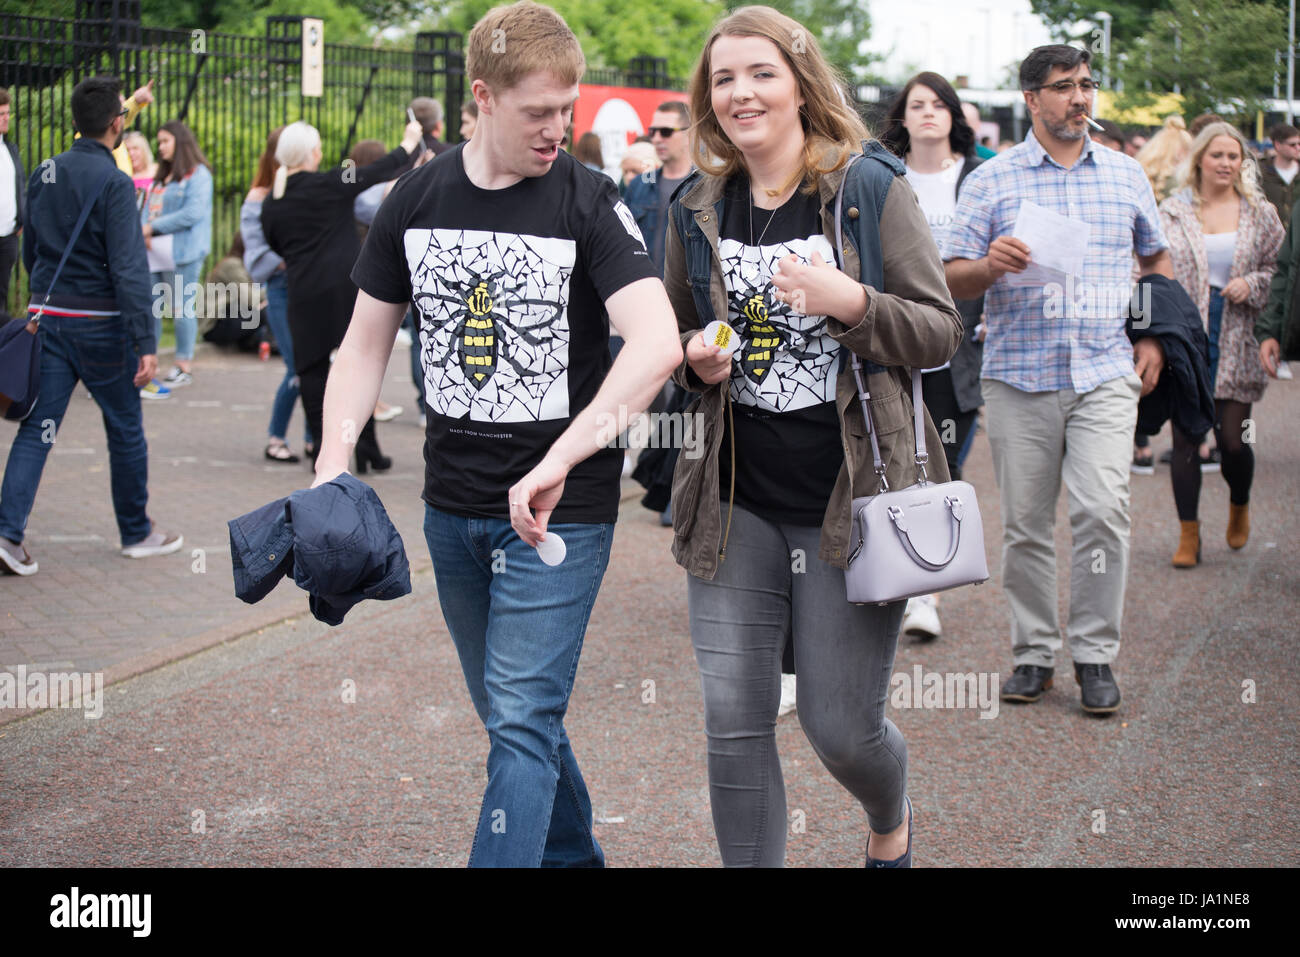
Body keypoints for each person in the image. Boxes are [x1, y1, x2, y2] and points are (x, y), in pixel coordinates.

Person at [330, 0, 679, 867]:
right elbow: (362, 342)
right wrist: (332, 469)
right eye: (537, 112)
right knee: (512, 712)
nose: (558, 129)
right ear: (481, 98)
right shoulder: (416, 195)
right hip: (451, 503)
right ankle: (575, 859)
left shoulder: (590, 200)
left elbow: (659, 340)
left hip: (564, 509)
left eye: (566, 109)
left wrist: (562, 458)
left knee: (521, 713)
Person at [665, 5, 961, 867]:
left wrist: (853, 304)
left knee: (841, 728)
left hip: (852, 503)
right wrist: (695, 359)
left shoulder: (867, 188)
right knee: (734, 722)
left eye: (760, 73)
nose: (741, 92)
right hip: (734, 501)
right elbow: (673, 335)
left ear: (799, 81)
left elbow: (940, 329)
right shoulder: (696, 206)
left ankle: (891, 816)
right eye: (724, 78)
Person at [943, 44, 1173, 716]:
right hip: (1019, 374)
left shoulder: (1127, 176)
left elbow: (1155, 258)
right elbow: (952, 274)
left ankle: (1096, 653)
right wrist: (988, 266)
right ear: (1032, 99)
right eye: (1064, 87)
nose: (1080, 98)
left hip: (1104, 367)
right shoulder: (993, 179)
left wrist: (1154, 334)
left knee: (1103, 509)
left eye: (1087, 85)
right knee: (1026, 524)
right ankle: (1034, 652)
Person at [0, 76, 181, 577]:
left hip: (50, 318)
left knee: (38, 429)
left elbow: (31, 248)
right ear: (116, 123)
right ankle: (136, 531)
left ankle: (7, 533)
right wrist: (146, 342)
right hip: (102, 327)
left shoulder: (45, 171)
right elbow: (127, 267)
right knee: (124, 427)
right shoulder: (116, 183)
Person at [880, 71, 987, 642]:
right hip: (895, 342)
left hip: (961, 346)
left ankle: (928, 589)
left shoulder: (977, 178)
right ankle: (907, 583)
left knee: (943, 465)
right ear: (902, 117)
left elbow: (999, 253)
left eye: (937, 104)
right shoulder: (882, 177)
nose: (927, 113)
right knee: (894, 464)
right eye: (916, 104)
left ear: (952, 115)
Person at [261, 120, 420, 475]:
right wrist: (408, 144)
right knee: (359, 365)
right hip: (345, 287)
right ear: (312, 152)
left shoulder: (273, 200)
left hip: (303, 290)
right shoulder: (332, 183)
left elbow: (274, 243)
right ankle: (367, 448)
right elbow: (375, 170)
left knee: (312, 371)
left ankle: (323, 449)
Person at [1159, 122, 1283, 566]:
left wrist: (1251, 284)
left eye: (1234, 156)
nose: (1227, 163)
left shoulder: (1260, 212)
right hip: (1186, 335)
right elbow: (1153, 267)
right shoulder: (1172, 210)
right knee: (1188, 437)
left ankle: (1239, 503)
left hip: (1237, 333)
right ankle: (1188, 534)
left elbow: (1279, 270)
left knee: (1233, 440)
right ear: (1199, 160)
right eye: (1218, 155)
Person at [241, 126, 311, 464]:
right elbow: (256, 251)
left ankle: (314, 439)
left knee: (314, 363)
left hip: (309, 286)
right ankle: (276, 436)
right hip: (283, 286)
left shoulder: (306, 190)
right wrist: (295, 259)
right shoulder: (259, 197)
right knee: (297, 365)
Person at [140, 120, 213, 394]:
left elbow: (192, 214)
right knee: (152, 308)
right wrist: (144, 227)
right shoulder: (162, 176)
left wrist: (152, 227)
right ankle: (150, 365)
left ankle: (184, 366)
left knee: (182, 308)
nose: (160, 148)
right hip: (154, 253)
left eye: (165, 141)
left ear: (180, 143)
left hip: (183, 252)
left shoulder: (199, 175)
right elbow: (148, 207)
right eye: (158, 142)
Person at [0, 88, 25, 319]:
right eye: (1, 114)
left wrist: (22, 218)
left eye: (7, 112)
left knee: (2, 295)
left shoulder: (10, 149)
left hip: (8, 236)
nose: (6, 117)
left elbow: (19, 186)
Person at [1261, 123, 1300, 226]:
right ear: (1278, 145)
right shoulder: (1261, 172)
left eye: (1299, 144)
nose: (1297, 148)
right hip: (1271, 234)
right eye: (1292, 145)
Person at [123, 130, 156, 200]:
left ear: (144, 150)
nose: (131, 153)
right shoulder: (122, 175)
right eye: (127, 149)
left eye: (135, 148)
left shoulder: (157, 170)